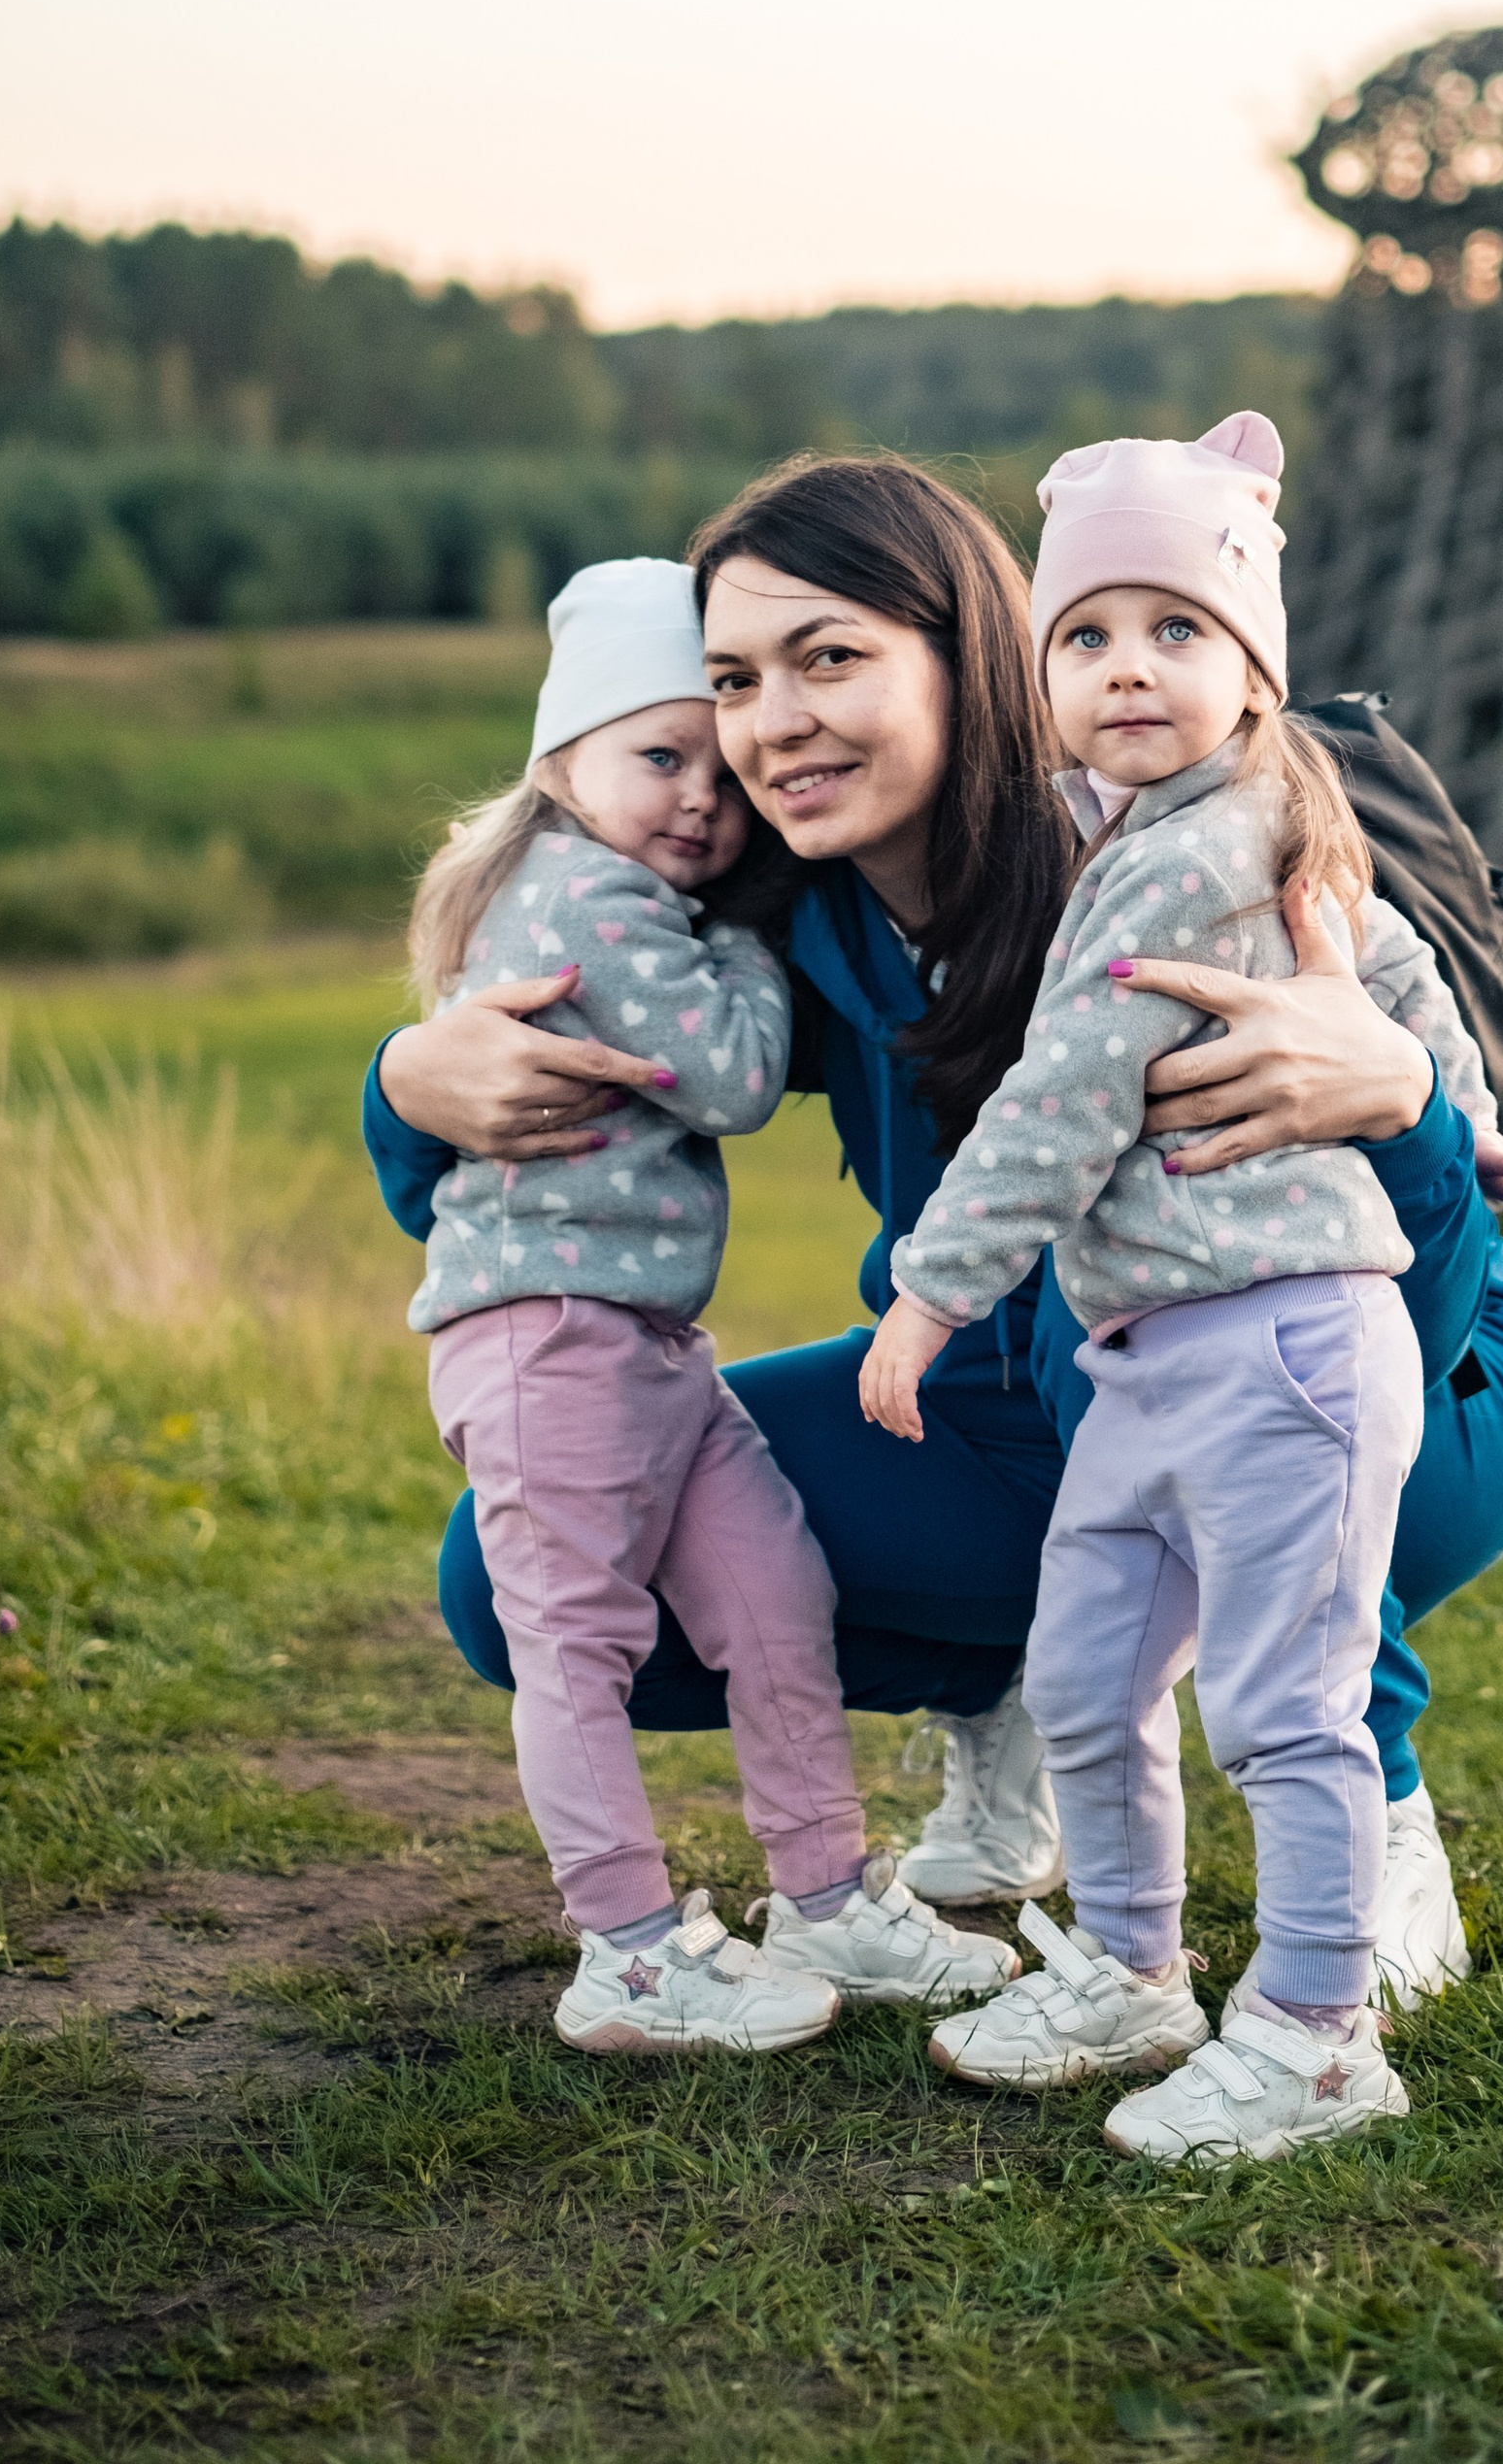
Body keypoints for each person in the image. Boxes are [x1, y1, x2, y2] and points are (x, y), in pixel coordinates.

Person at [362, 454, 1503, 2002]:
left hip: (1413, 1386)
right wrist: (412, 1082)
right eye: (734, 677)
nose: (773, 720)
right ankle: (1020, 1702)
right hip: (1016, 1397)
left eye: (833, 657)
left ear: (973, 653)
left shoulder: (1153, 871)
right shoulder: (800, 921)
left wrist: (1402, 1096)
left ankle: (1383, 1814)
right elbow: (523, 1176)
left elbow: (1418, 1297)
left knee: (1159, 1360)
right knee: (521, 1575)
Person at [860, 416, 1503, 2163]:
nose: (1127, 671)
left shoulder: (1193, 847)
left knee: (1279, 1701)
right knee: (1092, 1674)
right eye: (1087, 637)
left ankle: (1321, 2033)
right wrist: (1472, 1111)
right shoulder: (1148, 820)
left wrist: (932, 1296)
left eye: (1178, 631)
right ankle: (1129, 1966)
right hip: (1154, 1351)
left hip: (1286, 1346)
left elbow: (1061, 1099)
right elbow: (1398, 959)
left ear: (1255, 665)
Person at [401, 553, 1014, 2058]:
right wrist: (757, 925)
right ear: (565, 765)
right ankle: (627, 1948)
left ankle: (824, 1893)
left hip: (652, 1340)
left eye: (715, 769)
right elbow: (738, 1076)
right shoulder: (587, 901)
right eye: (657, 757)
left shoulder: (627, 891)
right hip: (552, 1338)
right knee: (578, 1642)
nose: (703, 801)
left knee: (774, 1593)